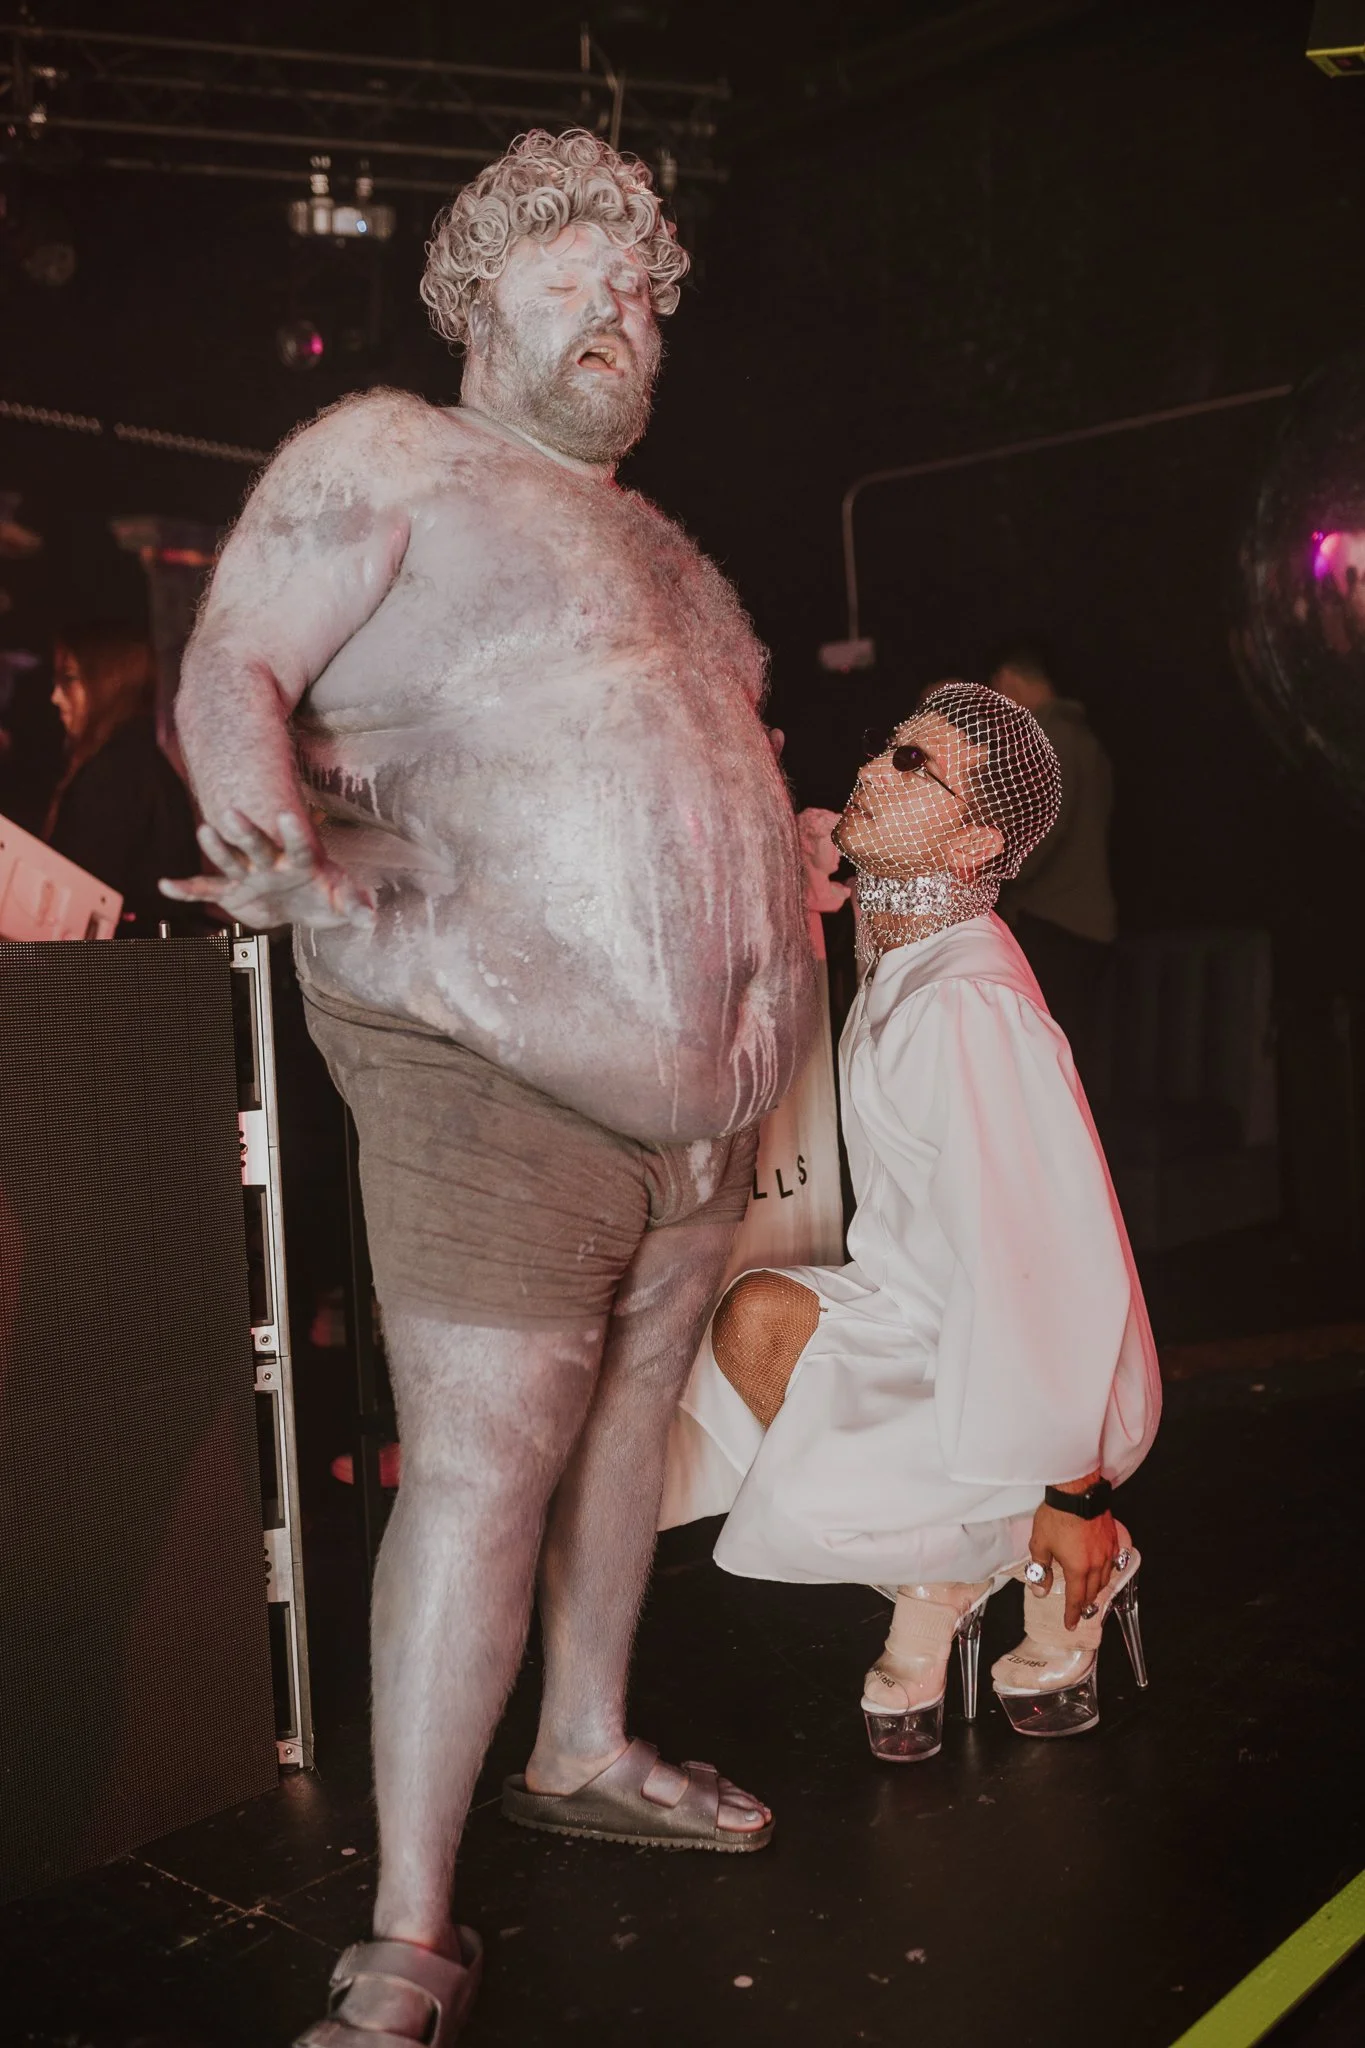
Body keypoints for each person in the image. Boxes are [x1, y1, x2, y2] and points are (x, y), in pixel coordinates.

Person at [160, 129, 818, 2047]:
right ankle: (409, 1929)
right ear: (470, 296)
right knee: (484, 1457)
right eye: (570, 276)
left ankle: (584, 1739)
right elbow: (231, 666)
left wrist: (778, 857)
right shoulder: (392, 457)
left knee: (627, 1422)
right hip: (484, 1065)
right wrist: (268, 824)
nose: (616, 312)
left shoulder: (662, 540)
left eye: (639, 291)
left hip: (701, 1109)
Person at [676, 682, 1160, 1766]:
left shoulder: (963, 1001)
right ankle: (947, 1563)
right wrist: (808, 864)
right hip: (927, 1319)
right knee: (754, 1326)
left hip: (1031, 1368)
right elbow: (840, 874)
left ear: (975, 842)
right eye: (884, 746)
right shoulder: (912, 941)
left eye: (912, 766)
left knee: (804, 1475)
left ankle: (1046, 1549)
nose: (870, 767)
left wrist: (1075, 1486)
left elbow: (1045, 1252)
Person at [989, 644, 1117, 1085]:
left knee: (1047, 1055)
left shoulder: (1047, 740)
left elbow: (1042, 830)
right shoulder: (1088, 741)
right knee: (1075, 1048)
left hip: (1053, 920)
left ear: (1008, 680)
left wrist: (996, 876)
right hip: (1088, 920)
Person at [45, 623, 200, 935]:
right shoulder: (138, 761)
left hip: (123, 958)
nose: (55, 697)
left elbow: (80, 899)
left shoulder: (115, 772)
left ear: (108, 681)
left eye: (69, 679)